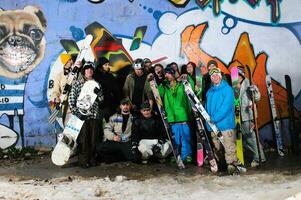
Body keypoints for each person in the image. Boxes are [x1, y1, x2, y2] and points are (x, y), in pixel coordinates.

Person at [205, 67, 246, 174]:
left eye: (216, 75)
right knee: (217, 148)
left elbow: (226, 107)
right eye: (212, 76)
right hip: (213, 126)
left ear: (220, 76)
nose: (215, 77)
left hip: (225, 125)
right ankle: (223, 167)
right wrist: (207, 122)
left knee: (229, 148)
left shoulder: (227, 89)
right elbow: (207, 108)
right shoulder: (209, 92)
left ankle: (232, 167)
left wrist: (213, 119)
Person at [68, 61, 104, 168]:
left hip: (93, 115)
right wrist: (76, 113)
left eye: (91, 69)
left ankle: (92, 159)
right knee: (83, 139)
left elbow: (101, 100)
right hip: (81, 116)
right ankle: (83, 161)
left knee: (93, 139)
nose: (89, 71)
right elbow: (71, 99)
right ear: (84, 71)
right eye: (87, 69)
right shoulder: (77, 83)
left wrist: (100, 94)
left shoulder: (96, 84)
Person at [156, 66, 194, 163]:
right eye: (166, 74)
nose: (167, 75)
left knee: (185, 137)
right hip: (172, 117)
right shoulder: (165, 86)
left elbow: (191, 88)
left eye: (168, 73)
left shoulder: (182, 85)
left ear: (173, 74)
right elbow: (158, 94)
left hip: (183, 115)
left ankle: (187, 155)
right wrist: (161, 83)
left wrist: (187, 78)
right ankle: (176, 154)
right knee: (175, 139)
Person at [237, 66, 266, 167]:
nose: (237, 76)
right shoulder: (234, 85)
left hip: (248, 115)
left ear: (241, 74)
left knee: (251, 137)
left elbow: (257, 98)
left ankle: (258, 158)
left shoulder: (248, 82)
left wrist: (255, 91)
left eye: (238, 74)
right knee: (248, 137)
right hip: (239, 115)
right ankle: (260, 156)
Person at [96, 98, 139, 163]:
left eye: (127, 105)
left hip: (127, 142)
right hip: (116, 141)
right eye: (123, 104)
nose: (125, 106)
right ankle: (118, 157)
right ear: (120, 106)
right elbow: (106, 129)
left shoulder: (134, 118)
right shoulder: (114, 117)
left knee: (135, 158)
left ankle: (120, 156)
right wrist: (113, 137)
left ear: (130, 106)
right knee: (99, 147)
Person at [94, 57, 121, 122]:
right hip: (99, 106)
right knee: (98, 124)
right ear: (100, 66)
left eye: (108, 64)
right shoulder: (95, 77)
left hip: (110, 104)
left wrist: (119, 101)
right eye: (105, 65)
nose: (108, 66)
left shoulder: (110, 76)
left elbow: (116, 90)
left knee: (111, 123)